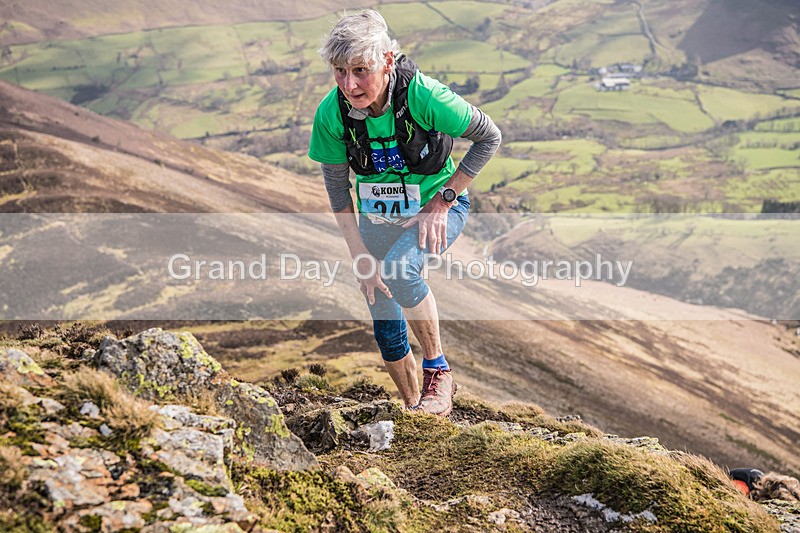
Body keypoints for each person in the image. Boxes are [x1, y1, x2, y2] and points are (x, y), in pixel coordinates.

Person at [308, 10, 501, 415]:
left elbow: (489, 136)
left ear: (387, 61)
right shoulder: (331, 114)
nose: (349, 84)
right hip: (376, 220)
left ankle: (438, 370)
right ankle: (418, 408)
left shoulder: (424, 96)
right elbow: (337, 189)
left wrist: (443, 200)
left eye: (360, 70)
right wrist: (359, 254)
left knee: (400, 270)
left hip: (437, 209)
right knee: (384, 319)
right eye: (340, 71)